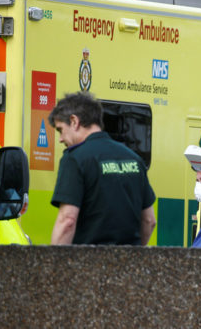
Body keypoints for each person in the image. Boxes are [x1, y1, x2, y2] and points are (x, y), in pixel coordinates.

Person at [49, 92, 156, 245]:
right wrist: (134, 257)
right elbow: (149, 220)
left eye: (60, 130)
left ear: (74, 121)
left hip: (88, 263)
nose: (60, 139)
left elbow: (67, 220)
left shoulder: (75, 158)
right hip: (130, 264)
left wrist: (54, 265)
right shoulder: (134, 159)